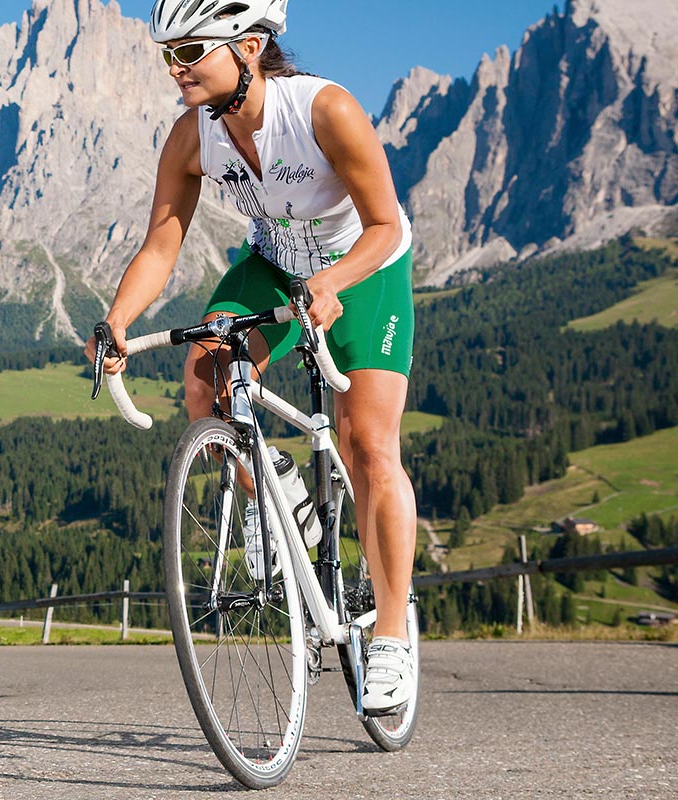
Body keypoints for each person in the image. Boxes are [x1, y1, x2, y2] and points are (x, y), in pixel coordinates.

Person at [83, 0, 418, 712]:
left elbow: (386, 225)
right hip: (273, 261)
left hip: (361, 266)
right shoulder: (192, 136)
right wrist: (116, 320)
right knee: (207, 376)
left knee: (368, 442)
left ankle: (389, 636)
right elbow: (162, 242)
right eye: (167, 52)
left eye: (192, 49)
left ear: (250, 46)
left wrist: (331, 283)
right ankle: (281, 496)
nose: (176, 67)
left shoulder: (324, 110)